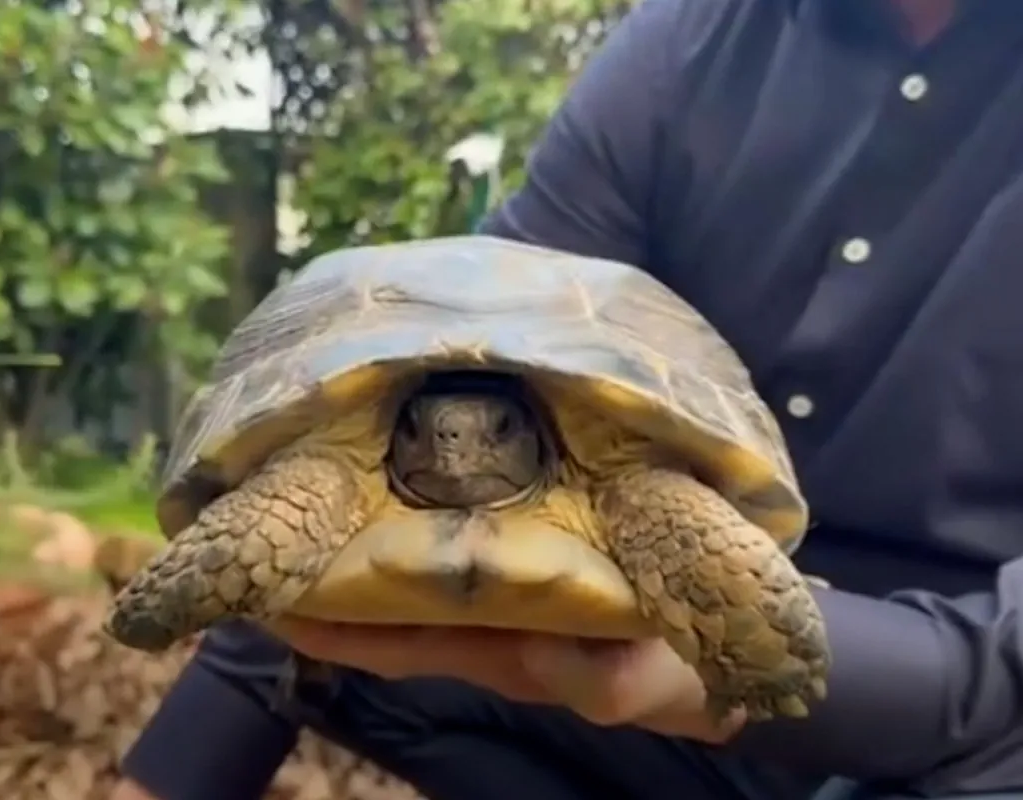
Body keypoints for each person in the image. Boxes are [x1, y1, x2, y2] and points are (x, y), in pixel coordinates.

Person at [112, 0, 1023, 797]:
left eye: (492, 430)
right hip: (669, 700)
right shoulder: (686, 44)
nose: (458, 446)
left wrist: (773, 667)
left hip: (976, 733)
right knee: (339, 667)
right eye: (433, 431)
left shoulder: (650, 505)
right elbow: (297, 520)